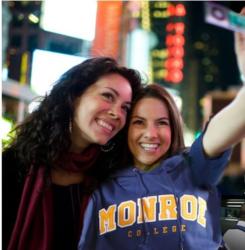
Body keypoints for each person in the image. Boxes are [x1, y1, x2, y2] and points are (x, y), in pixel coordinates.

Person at [78, 11, 245, 249]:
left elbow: (229, 125)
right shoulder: (101, 189)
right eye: (139, 122)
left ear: (174, 127)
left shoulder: (192, 167)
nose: (151, 134)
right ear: (125, 128)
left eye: (162, 122)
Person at [2, 57, 142, 250]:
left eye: (125, 108)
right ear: (75, 96)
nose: (117, 113)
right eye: (108, 96)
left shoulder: (112, 178)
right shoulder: (13, 166)